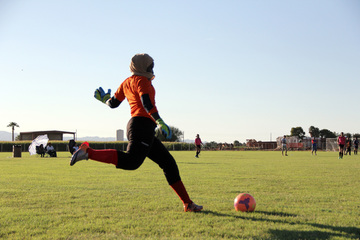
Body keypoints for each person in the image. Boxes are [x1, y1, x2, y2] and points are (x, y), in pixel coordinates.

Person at [70, 53, 202, 212]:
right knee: (131, 162)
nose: (152, 69)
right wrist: (159, 121)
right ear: (143, 67)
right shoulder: (142, 81)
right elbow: (146, 103)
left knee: (168, 163)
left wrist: (105, 99)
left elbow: (113, 103)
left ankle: (187, 203)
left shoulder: (127, 81)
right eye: (150, 66)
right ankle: (87, 153)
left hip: (139, 127)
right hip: (142, 126)